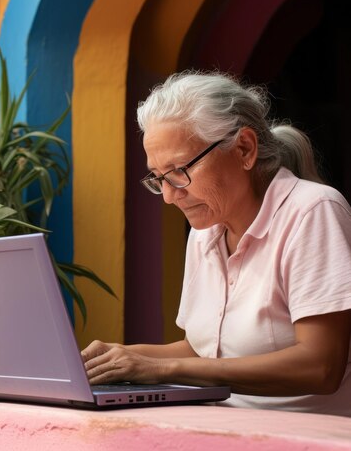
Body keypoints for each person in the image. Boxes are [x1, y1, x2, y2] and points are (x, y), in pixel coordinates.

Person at [81, 71, 351, 416]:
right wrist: (116, 357)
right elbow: (205, 352)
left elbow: (320, 367)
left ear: (244, 149)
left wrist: (160, 369)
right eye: (159, 177)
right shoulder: (206, 231)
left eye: (180, 170)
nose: (168, 196)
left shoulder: (311, 212)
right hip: (223, 425)